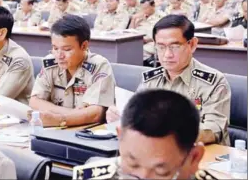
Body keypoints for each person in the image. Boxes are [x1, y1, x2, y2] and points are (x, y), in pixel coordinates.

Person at [107, 15, 231, 146]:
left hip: (201, 155)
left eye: (175, 47)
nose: (167, 55)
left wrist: (167, 133)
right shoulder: (151, 80)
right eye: (161, 47)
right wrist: (121, 117)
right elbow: (138, 115)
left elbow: (214, 129)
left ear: (193, 44)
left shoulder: (214, 82)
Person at [75, 89, 208, 180]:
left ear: (194, 157)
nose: (142, 176)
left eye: (160, 171)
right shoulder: (93, 176)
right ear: (120, 137)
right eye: (132, 164)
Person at [30, 15, 116, 127]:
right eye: (55, 48)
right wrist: (73, 114)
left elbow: (96, 114)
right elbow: (35, 102)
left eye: (67, 49)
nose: (59, 56)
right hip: (55, 130)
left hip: (87, 133)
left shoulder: (99, 66)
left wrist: (59, 119)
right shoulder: (50, 62)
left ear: (84, 45)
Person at [129, 0, 165, 65]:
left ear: (153, 6)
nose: (144, 10)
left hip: (151, 42)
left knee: (138, 51)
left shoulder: (161, 17)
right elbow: (130, 32)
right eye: (142, 8)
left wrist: (145, 40)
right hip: (136, 41)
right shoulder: (140, 16)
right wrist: (133, 20)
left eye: (146, 8)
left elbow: (162, 35)